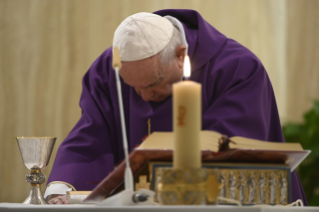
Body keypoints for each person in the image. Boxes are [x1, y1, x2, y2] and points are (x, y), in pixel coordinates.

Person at [44, 9, 307, 205]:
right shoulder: (109, 69)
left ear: (181, 55)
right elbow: (91, 134)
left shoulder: (237, 68)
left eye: (153, 83)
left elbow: (230, 148)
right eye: (133, 87)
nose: (144, 97)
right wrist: (62, 189)